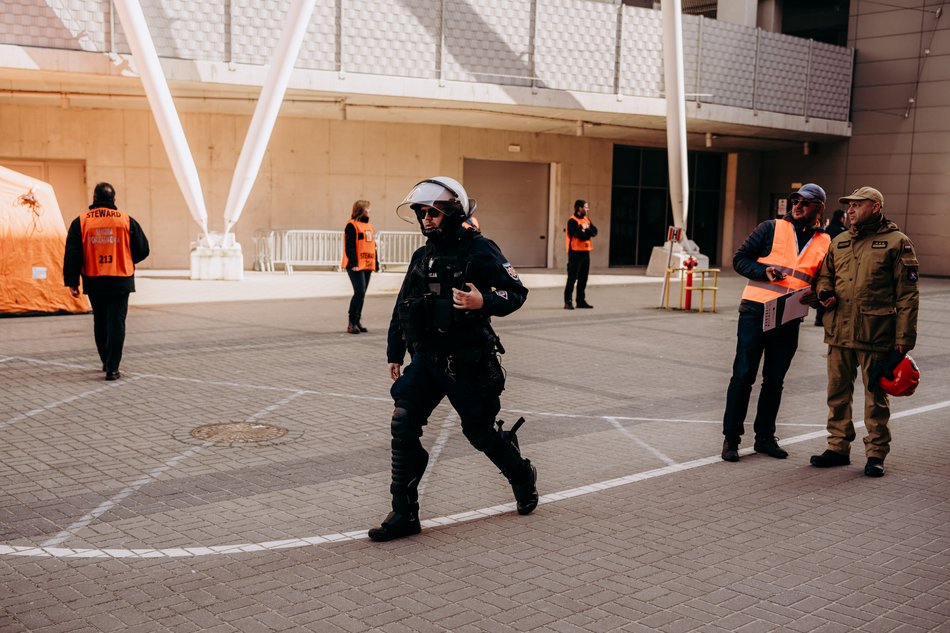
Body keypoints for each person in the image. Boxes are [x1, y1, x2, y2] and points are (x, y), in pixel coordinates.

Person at [368, 176, 538, 542]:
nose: (426, 218)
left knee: (479, 433)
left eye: (433, 212)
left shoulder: (480, 249)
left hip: (468, 360)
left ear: (453, 213)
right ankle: (404, 514)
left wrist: (484, 301)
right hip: (428, 359)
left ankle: (522, 475)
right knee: (403, 421)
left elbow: (517, 292)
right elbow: (403, 307)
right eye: (422, 212)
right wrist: (394, 351)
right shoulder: (422, 255)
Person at [810, 187, 919, 477]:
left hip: (876, 333)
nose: (851, 210)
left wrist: (903, 341)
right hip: (839, 332)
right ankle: (837, 447)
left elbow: (907, 296)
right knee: (837, 394)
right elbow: (825, 275)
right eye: (849, 205)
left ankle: (875, 454)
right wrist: (824, 291)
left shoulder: (898, 242)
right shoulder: (840, 241)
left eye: (858, 205)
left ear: (876, 206)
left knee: (875, 399)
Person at [721, 183, 831, 462]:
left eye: (805, 202)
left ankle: (765, 438)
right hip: (755, 311)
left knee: (775, 381)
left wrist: (818, 297)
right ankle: (731, 440)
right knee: (743, 376)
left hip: (790, 316)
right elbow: (739, 259)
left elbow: (822, 280)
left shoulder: (825, 242)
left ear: (819, 207)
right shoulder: (770, 228)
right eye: (795, 201)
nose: (797, 205)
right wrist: (762, 271)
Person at [63, 182, 150, 381]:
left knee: (100, 321)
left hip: (94, 280)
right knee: (116, 322)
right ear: (114, 200)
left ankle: (105, 360)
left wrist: (72, 281)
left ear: (94, 199)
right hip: (121, 279)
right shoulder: (126, 220)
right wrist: (126, 258)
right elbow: (143, 249)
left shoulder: (82, 221)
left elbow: (72, 254)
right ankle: (113, 368)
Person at [341, 199, 378, 334]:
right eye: (367, 209)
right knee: (359, 292)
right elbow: (350, 246)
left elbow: (373, 246)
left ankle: (357, 322)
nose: (369, 211)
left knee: (362, 294)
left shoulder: (369, 226)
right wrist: (354, 263)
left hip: (367, 264)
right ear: (361, 210)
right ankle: (351, 323)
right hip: (355, 265)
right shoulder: (351, 225)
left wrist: (376, 263)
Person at [813, 209, 848, 326]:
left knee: (823, 290)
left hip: (822, 262)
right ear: (841, 218)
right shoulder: (843, 232)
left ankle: (819, 318)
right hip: (837, 264)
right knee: (833, 291)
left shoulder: (827, 229)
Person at [563, 199, 597, 309]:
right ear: (579, 208)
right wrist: (587, 232)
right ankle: (568, 301)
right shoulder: (572, 221)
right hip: (575, 253)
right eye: (585, 207)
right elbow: (579, 235)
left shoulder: (586, 220)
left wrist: (586, 230)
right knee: (572, 278)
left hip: (585, 253)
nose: (587, 209)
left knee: (583, 278)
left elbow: (594, 231)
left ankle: (580, 301)